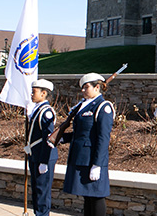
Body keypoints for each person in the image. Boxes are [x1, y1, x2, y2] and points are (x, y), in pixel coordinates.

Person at [60, 73, 114, 216]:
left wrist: (97, 164)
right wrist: (61, 138)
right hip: (81, 158)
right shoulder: (84, 106)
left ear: (97, 87)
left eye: (86, 87)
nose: (83, 91)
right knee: (88, 197)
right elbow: (81, 134)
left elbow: (103, 138)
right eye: (82, 88)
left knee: (96, 197)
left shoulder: (103, 107)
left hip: (92, 160)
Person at [26, 79, 58, 216]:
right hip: (35, 155)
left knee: (42, 191)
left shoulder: (46, 112)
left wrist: (44, 161)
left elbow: (48, 139)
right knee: (36, 190)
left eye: (34, 92)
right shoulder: (37, 110)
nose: (31, 94)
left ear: (44, 93)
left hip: (43, 157)